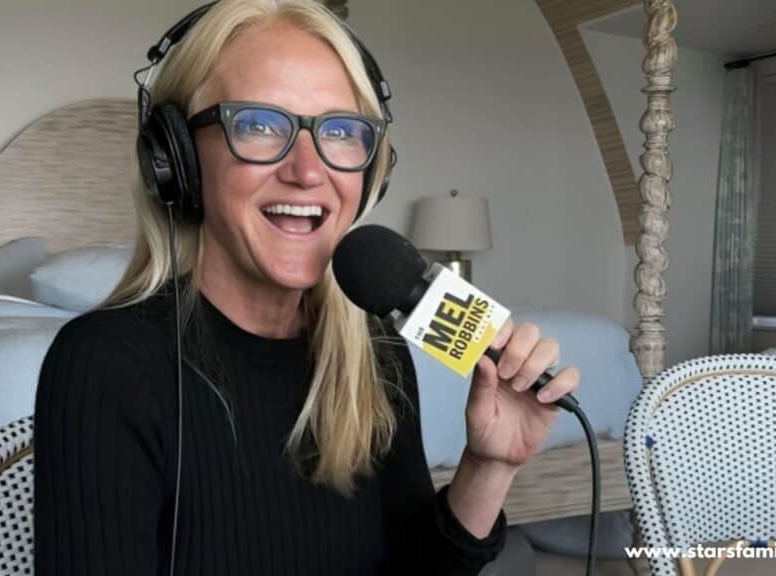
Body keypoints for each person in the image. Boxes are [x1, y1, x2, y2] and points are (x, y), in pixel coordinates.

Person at [33, 1, 581, 575]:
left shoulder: (375, 348)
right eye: (260, 124)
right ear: (178, 159)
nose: (308, 169)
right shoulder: (103, 366)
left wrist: (489, 467)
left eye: (341, 131)